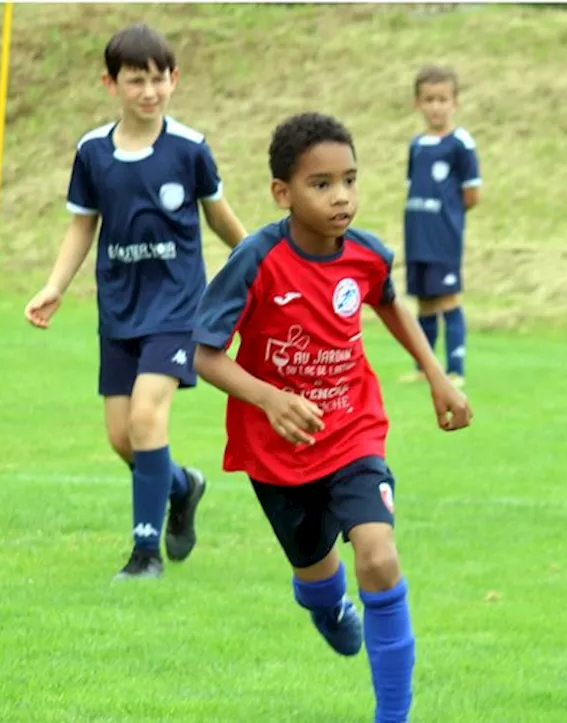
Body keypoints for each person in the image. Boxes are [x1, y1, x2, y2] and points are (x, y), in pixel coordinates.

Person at [192, 111, 471, 723]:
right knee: (317, 581)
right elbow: (204, 354)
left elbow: (390, 305)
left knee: (378, 556)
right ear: (282, 193)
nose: (341, 196)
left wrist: (436, 376)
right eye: (322, 184)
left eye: (349, 180)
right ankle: (324, 604)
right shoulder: (257, 260)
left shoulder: (367, 255)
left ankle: (392, 715)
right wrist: (268, 397)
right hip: (276, 452)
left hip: (352, 433)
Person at [24, 23, 248, 580]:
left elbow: (218, 217)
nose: (148, 91)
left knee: (149, 419)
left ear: (175, 79)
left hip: (177, 309)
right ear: (111, 83)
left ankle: (145, 555)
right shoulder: (93, 151)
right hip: (118, 309)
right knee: (124, 439)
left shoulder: (189, 149)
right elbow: (83, 227)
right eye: (135, 81)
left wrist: (257, 258)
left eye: (158, 79)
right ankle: (182, 486)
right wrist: (55, 285)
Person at [400, 64, 483, 387]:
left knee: (448, 298)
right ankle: (424, 368)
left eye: (442, 99)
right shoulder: (417, 144)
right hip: (416, 234)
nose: (436, 106)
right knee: (424, 301)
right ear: (417, 103)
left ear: (454, 103)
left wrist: (448, 219)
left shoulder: (461, 143)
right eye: (429, 99)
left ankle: (455, 370)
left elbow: (472, 194)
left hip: (444, 235)